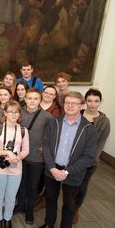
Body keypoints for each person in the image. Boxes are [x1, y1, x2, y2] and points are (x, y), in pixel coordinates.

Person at [40, 91, 97, 228]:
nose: (70, 106)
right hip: (52, 169)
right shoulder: (54, 122)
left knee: (69, 205)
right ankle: (49, 224)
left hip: (73, 173)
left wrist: (66, 172)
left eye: (74, 103)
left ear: (81, 106)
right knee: (50, 199)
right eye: (67, 103)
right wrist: (52, 168)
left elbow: (89, 157)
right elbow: (46, 146)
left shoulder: (89, 129)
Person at [0, 100, 29, 228]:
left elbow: (26, 150)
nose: (13, 114)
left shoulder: (23, 130)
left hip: (16, 169)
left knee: (11, 197)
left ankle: (7, 218)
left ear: (19, 114)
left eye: (16, 112)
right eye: (10, 111)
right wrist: (7, 153)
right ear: (5, 113)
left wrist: (17, 157)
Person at [72, 88, 111, 224]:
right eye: (89, 100)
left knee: (82, 186)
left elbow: (101, 144)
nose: (92, 104)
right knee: (69, 186)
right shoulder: (76, 114)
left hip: (90, 161)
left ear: (100, 102)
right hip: (72, 159)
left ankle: (76, 209)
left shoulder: (104, 121)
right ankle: (68, 207)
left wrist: (89, 160)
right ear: (85, 101)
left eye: (96, 101)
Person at [14, 89, 52, 225]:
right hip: (19, 156)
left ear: (40, 100)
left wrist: (45, 147)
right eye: (29, 98)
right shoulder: (19, 113)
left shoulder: (47, 117)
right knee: (21, 183)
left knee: (33, 186)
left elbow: (51, 136)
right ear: (25, 99)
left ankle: (29, 209)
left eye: (36, 99)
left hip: (37, 158)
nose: (32, 101)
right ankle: (20, 205)